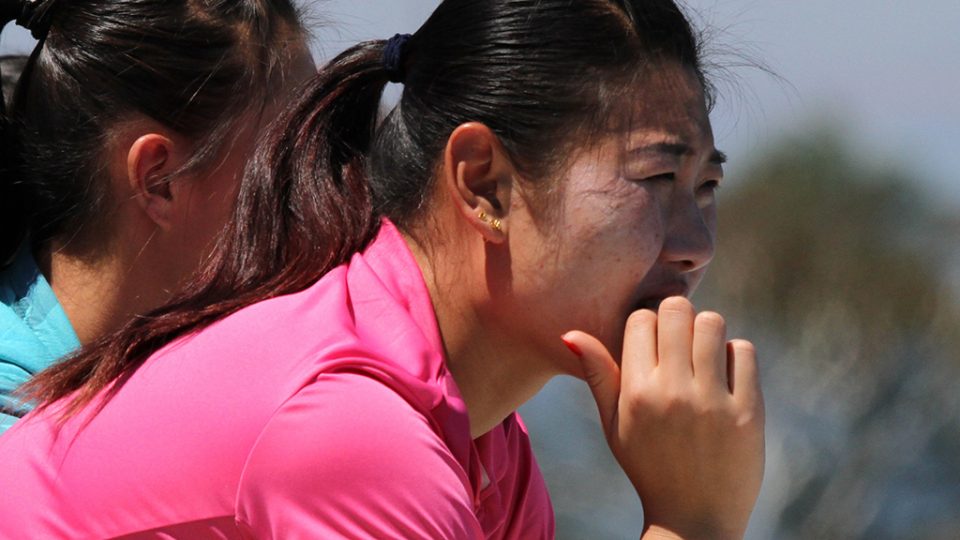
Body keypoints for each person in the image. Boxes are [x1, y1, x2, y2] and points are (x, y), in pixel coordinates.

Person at [0, 0, 765, 538]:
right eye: (657, 182)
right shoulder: (352, 429)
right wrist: (691, 521)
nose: (694, 242)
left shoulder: (487, 448)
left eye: (707, 188)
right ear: (483, 184)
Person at [0, 0, 314, 431]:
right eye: (290, 163)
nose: (323, 197)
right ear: (158, 180)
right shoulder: (19, 429)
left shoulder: (172, 374)